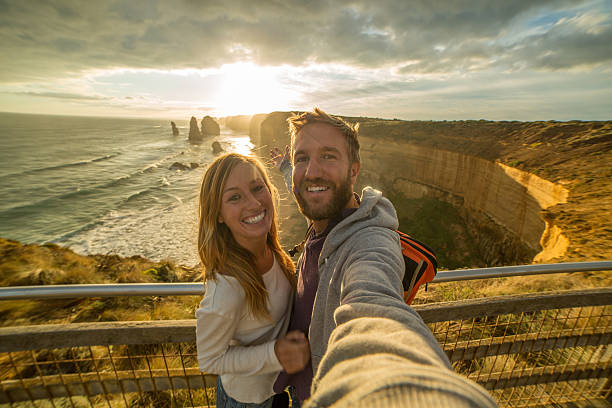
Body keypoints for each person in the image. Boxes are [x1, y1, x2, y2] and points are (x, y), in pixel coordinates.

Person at [271, 108, 496, 406]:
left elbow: (373, 302)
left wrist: (409, 388)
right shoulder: (320, 210)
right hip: (297, 386)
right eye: (302, 158)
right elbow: (305, 186)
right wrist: (287, 167)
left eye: (328, 156)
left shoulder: (369, 241)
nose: (312, 171)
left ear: (354, 171)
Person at [195, 153, 310, 408]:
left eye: (258, 188)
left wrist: (287, 167)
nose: (254, 203)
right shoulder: (227, 286)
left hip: (278, 388)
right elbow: (209, 359)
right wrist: (276, 354)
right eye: (235, 197)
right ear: (219, 214)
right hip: (248, 401)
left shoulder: (271, 250)